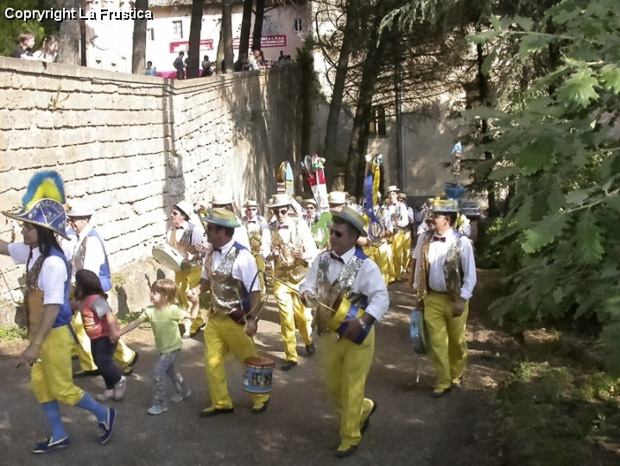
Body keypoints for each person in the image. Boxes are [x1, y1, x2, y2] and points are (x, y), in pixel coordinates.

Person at [0, 170, 116, 453]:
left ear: (41, 232)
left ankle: (104, 414)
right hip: (40, 333)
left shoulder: (52, 262)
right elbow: (4, 247)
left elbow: (52, 307)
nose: (23, 231)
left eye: (28, 228)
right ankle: (59, 434)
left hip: (54, 334)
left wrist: (34, 345)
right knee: (41, 385)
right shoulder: (32, 252)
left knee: (63, 387)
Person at [300, 206, 389, 458]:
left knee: (352, 387)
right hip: (329, 334)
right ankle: (364, 408)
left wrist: (363, 322)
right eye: (332, 232)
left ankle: (350, 436)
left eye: (338, 234)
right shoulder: (322, 260)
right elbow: (308, 284)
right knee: (332, 387)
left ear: (353, 237)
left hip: (357, 335)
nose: (332, 237)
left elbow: (381, 298)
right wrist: (306, 294)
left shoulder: (366, 266)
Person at [188, 208, 270, 416]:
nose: (206, 232)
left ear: (222, 232)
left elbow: (255, 290)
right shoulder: (210, 252)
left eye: (210, 229)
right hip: (215, 317)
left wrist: (253, 318)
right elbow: (207, 280)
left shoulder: (243, 256)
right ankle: (221, 402)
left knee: (249, 360)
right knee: (212, 362)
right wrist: (196, 290)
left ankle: (261, 397)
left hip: (236, 319)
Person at [62, 202, 138, 377]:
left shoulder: (92, 240)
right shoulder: (81, 237)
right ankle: (96, 363)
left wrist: (79, 296)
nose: (71, 223)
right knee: (89, 329)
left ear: (85, 220)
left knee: (98, 329)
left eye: (75, 220)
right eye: (70, 219)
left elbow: (90, 273)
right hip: (87, 291)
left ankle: (123, 358)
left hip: (93, 293)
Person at [412, 199, 477, 398]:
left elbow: (470, 275)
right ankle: (443, 381)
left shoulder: (462, 242)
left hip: (454, 299)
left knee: (456, 341)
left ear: (447, 220)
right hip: (432, 298)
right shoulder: (424, 239)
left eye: (435, 215)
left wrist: (462, 299)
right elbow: (419, 268)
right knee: (437, 342)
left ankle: (456, 374)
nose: (430, 218)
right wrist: (418, 294)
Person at [119, 279, 196, 415]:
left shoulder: (173, 310)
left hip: (172, 348)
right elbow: (134, 323)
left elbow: (193, 317)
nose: (151, 294)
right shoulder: (149, 311)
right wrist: (119, 333)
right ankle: (184, 391)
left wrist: (196, 303)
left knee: (158, 373)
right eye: (151, 292)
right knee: (171, 371)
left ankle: (160, 404)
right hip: (162, 348)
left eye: (155, 293)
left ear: (165, 297)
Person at [260, 194, 318, 370]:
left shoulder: (300, 225)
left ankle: (308, 340)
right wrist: (271, 255)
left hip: (300, 279)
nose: (280, 215)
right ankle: (291, 356)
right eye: (276, 211)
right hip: (280, 279)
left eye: (283, 211)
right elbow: (263, 251)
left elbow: (313, 250)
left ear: (289, 210)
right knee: (286, 318)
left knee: (304, 317)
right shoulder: (268, 229)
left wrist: (304, 255)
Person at [74, 269, 126, 402]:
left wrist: (114, 333)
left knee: (104, 361)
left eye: (77, 282)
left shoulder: (95, 299)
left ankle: (119, 379)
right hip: (95, 337)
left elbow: (109, 315)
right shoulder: (84, 300)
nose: (75, 285)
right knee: (98, 361)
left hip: (106, 335)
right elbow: (72, 304)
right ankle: (110, 389)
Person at [167, 201, 206, 338]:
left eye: (175, 213)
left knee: (189, 294)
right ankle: (198, 320)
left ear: (183, 216)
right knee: (182, 294)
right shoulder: (170, 231)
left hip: (194, 268)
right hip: (179, 269)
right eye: (172, 213)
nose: (171, 216)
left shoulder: (194, 231)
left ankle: (191, 326)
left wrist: (193, 257)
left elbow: (203, 252)